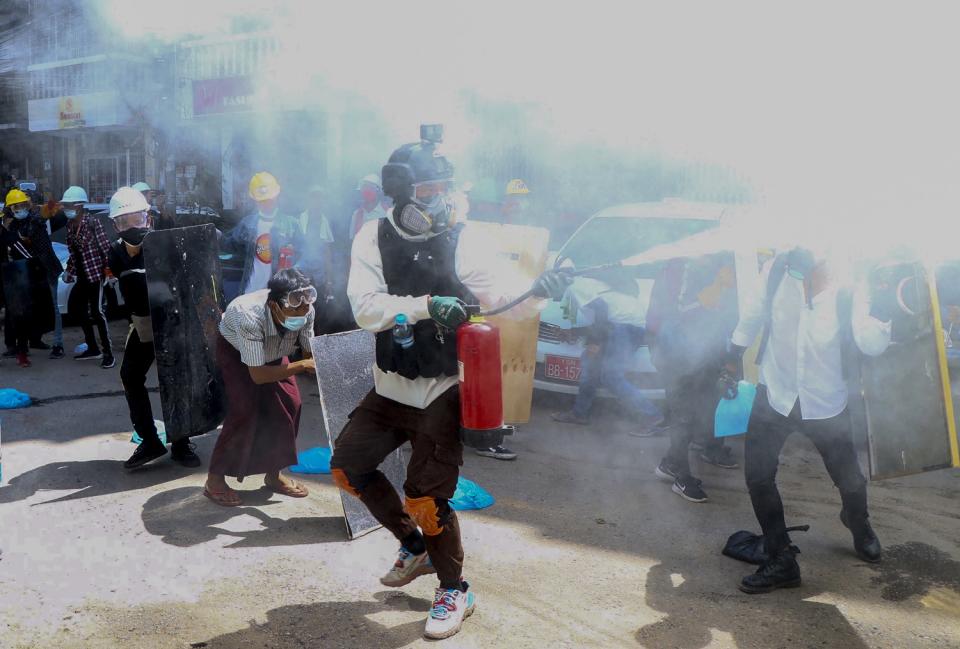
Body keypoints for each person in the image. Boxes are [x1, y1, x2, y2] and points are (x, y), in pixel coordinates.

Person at [329, 129, 568, 640]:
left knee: (426, 497)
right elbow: (365, 308)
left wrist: (542, 291)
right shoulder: (372, 236)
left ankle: (454, 588)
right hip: (390, 382)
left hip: (443, 385)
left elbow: (512, 301)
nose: (441, 201)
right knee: (348, 467)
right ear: (400, 193)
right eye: (429, 191)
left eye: (445, 188)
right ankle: (413, 547)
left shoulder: (467, 239)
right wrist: (424, 306)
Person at [727, 246, 892, 594]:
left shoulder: (852, 282)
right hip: (776, 391)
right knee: (758, 477)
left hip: (825, 400)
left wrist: (887, 314)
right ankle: (781, 558)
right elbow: (754, 312)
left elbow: (869, 341)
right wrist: (731, 355)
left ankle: (857, 522)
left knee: (849, 479)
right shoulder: (775, 270)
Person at [203, 268, 317, 506]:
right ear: (274, 306)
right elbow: (258, 375)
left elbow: (309, 351)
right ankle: (214, 480)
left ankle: (274, 475)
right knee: (244, 410)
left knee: (291, 404)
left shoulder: (306, 310)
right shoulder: (248, 316)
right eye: (294, 309)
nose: (301, 312)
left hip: (274, 353)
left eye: (305, 307)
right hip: (237, 353)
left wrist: (314, 363)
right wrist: (302, 365)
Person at [107, 187, 202, 470]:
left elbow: (188, 286)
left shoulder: (165, 245)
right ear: (116, 225)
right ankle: (150, 441)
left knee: (175, 381)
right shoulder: (115, 253)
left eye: (136, 219)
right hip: (144, 324)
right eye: (124, 222)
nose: (131, 226)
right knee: (130, 376)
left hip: (173, 322)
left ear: (147, 218)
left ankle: (182, 444)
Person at [648, 254, 739, 503]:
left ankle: (669, 464)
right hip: (678, 355)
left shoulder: (724, 270)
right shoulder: (683, 268)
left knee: (699, 414)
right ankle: (681, 476)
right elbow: (677, 313)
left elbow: (723, 321)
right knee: (683, 416)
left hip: (705, 357)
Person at [551, 276, 665, 436]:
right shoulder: (585, 285)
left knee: (611, 376)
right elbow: (604, 322)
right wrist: (573, 332)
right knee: (590, 366)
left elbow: (602, 310)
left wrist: (595, 342)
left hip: (624, 327)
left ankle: (652, 415)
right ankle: (579, 413)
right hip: (621, 326)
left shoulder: (574, 286)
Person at [0, 188, 64, 365]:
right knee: (31, 309)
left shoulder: (34, 218)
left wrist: (49, 206)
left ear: (27, 205)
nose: (19, 209)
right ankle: (28, 343)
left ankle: (58, 344)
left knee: (54, 308)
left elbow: (42, 217)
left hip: (47, 269)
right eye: (15, 207)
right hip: (30, 273)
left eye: (22, 205)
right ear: (10, 210)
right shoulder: (12, 226)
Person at [222, 171, 303, 301]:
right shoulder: (247, 224)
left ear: (276, 196)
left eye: (269, 198)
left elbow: (304, 255)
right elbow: (230, 245)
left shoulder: (291, 225)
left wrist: (292, 271)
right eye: (262, 200)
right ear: (255, 199)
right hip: (250, 293)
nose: (266, 202)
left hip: (279, 294)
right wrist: (216, 236)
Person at [60, 186, 114, 367]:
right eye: (65, 205)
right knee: (77, 308)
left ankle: (109, 354)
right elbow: (73, 253)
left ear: (79, 206)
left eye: (68, 205)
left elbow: (105, 248)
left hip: (96, 274)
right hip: (82, 276)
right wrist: (69, 271)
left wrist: (108, 272)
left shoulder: (93, 222)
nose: (65, 208)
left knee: (98, 313)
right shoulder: (70, 225)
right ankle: (93, 348)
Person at [349, 174, 389, 239]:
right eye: (365, 188)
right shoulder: (356, 215)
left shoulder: (387, 214)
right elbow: (353, 241)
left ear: (379, 191)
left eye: (370, 188)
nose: (367, 191)